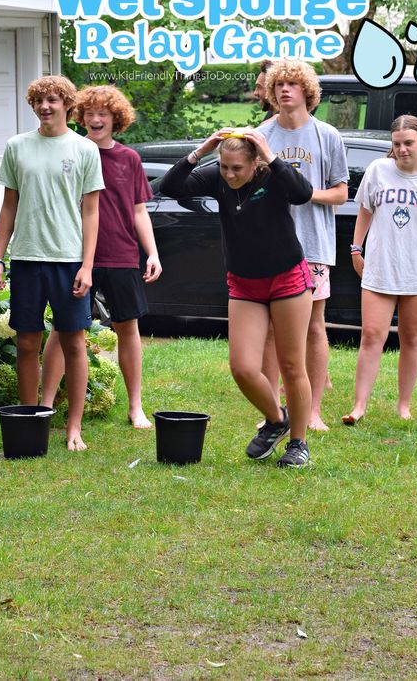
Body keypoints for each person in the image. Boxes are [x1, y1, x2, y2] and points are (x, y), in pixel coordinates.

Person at [160, 128, 314, 467]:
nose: (229, 175)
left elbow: (302, 194)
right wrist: (202, 150)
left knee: (291, 364)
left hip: (287, 278)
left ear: (255, 163)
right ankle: (277, 420)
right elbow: (169, 187)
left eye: (237, 169)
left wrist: (269, 154)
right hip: (244, 283)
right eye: (225, 166)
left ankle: (299, 444)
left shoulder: (272, 176)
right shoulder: (217, 175)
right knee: (243, 367)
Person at [0, 75, 104, 451]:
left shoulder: (85, 149)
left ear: (67, 105)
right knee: (26, 341)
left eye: (53, 100)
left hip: (68, 260)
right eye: (39, 100)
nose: (45, 107)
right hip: (25, 258)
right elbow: (9, 204)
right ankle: (29, 422)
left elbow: (91, 211)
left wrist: (87, 266)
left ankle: (74, 427)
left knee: (74, 342)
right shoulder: (17, 146)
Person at [41, 85, 162, 428]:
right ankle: (45, 404)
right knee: (63, 328)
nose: (96, 119)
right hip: (74, 255)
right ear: (79, 116)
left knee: (128, 327)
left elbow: (139, 211)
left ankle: (135, 405)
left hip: (122, 255)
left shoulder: (129, 159)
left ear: (116, 119)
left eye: (103, 114)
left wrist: (152, 252)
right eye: (90, 113)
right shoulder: (71, 153)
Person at [257, 59, 349, 431]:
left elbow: (342, 193)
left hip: (312, 244)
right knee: (271, 330)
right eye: (279, 84)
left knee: (313, 326)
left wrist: (306, 193)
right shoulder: (261, 135)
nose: (284, 90)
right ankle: (272, 411)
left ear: (307, 93)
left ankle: (311, 411)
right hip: (270, 245)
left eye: (293, 84)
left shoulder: (327, 135)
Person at [342, 115, 417, 424]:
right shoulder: (378, 170)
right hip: (381, 264)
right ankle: (359, 405)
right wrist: (356, 248)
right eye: (397, 144)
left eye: (408, 143)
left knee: (412, 338)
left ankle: (404, 406)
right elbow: (365, 210)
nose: (402, 150)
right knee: (372, 335)